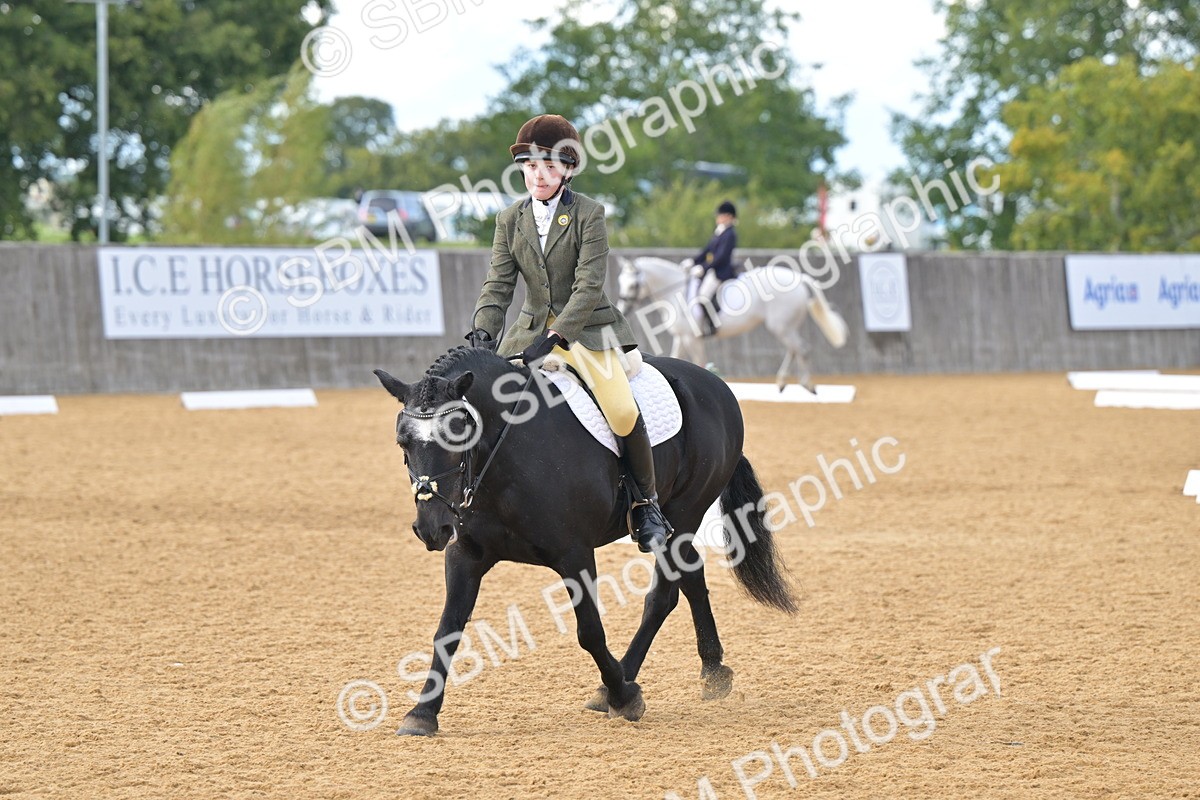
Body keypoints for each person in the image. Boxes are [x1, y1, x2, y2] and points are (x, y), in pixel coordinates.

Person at [465, 114, 670, 552]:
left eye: (549, 166)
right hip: (526, 332)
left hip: (588, 332)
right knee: (486, 401)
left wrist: (556, 336)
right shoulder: (508, 219)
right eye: (531, 166)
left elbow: (589, 286)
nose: (538, 175)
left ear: (568, 169)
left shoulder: (589, 214)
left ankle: (645, 505)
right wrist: (483, 330)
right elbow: (498, 284)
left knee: (620, 411)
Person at [687, 200, 739, 336]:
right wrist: (692, 262)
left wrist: (703, 268)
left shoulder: (730, 234)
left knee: (703, 295)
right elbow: (706, 251)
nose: (718, 218)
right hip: (713, 269)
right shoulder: (719, 232)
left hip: (722, 271)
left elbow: (721, 257)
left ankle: (712, 324)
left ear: (728, 216)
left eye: (720, 215)